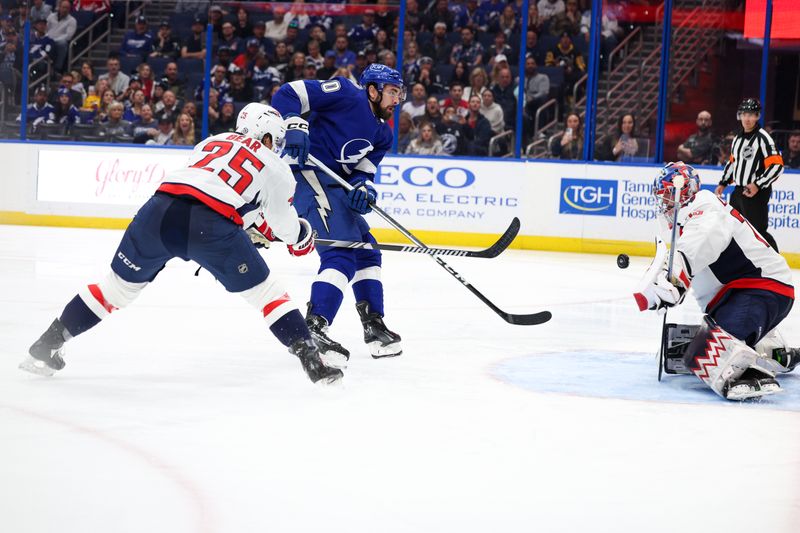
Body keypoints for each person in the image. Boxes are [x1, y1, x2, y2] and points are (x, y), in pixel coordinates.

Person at [21, 103, 342, 385]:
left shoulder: (211, 141)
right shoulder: (276, 165)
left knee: (114, 289)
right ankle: (311, 359)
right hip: (211, 225)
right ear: (268, 135)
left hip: (157, 211)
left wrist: (246, 226)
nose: (278, 148)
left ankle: (48, 343)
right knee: (268, 294)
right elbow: (283, 224)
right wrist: (301, 235)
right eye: (277, 142)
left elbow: (214, 187)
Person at [271, 64, 405, 367]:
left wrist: (363, 190)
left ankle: (373, 326)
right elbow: (289, 93)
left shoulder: (384, 134)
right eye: (393, 92)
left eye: (399, 93)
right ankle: (314, 328)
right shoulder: (346, 93)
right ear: (373, 90)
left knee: (368, 252)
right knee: (341, 252)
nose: (397, 99)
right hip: (304, 174)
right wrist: (294, 124)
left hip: (334, 187)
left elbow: (362, 174)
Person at [633, 162, 797, 400]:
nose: (664, 203)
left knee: (702, 354)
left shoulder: (704, 207)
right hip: (745, 294)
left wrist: (674, 280)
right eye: (662, 197)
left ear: (685, 191)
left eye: (668, 195)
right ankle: (775, 353)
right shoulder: (689, 220)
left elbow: (702, 240)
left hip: (761, 290)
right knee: (685, 348)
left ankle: (749, 376)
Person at [715, 98, 783, 251]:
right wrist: (723, 183)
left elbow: (777, 166)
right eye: (744, 114)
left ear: (758, 116)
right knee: (732, 228)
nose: (747, 118)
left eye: (751, 114)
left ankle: (776, 266)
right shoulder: (737, 138)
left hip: (756, 192)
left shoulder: (763, 138)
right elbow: (733, 163)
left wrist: (757, 184)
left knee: (757, 231)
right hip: (739, 190)